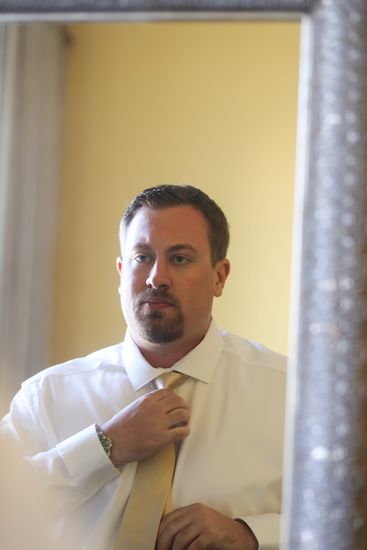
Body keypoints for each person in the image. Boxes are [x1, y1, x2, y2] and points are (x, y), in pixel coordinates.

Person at [0, 184, 286, 550]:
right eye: (142, 257)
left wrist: (251, 534)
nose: (156, 278)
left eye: (179, 258)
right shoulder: (47, 397)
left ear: (220, 276)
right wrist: (104, 446)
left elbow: (352, 520)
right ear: (121, 272)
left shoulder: (290, 396)